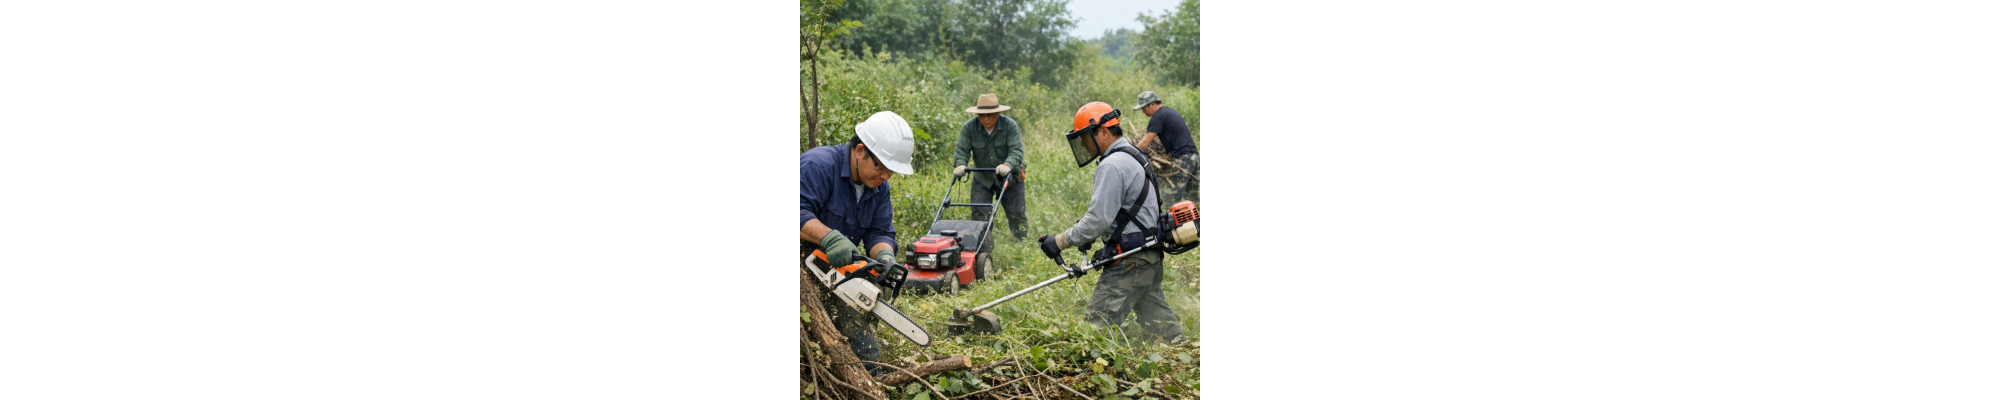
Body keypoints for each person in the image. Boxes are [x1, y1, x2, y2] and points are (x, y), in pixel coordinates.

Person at [1036, 101, 1186, 343]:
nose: (1083, 144)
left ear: (1103, 131)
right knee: (1166, 333)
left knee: (1093, 333)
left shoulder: (1112, 165)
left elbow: (1098, 218)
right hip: (1148, 258)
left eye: (1085, 137)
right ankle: (1187, 358)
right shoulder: (1135, 155)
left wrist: (1061, 241)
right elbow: (1119, 214)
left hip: (1131, 263)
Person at [799, 111, 916, 372]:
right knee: (859, 338)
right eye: (881, 167)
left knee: (874, 286)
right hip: (804, 266)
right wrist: (828, 237)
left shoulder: (877, 187)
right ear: (860, 150)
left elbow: (879, 231)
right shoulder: (818, 165)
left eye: (891, 171)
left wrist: (884, 256)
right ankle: (869, 374)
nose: (885, 176)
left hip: (834, 268)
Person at [953, 93, 1029, 241]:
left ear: (998, 113)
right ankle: (982, 246)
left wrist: (1008, 164)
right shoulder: (969, 128)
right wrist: (960, 164)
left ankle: (1021, 243)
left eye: (990, 115)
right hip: (983, 178)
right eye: (982, 115)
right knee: (979, 215)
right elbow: (961, 150)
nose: (986, 119)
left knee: (1016, 214)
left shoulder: (1009, 126)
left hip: (1010, 178)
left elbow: (1017, 151)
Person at [1133, 91, 1200, 205]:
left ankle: (1171, 223)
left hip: (1183, 160)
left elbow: (1145, 142)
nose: (1143, 112)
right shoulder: (1170, 112)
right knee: (1192, 200)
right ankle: (1196, 222)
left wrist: (1129, 154)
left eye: (1144, 108)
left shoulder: (1158, 116)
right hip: (1195, 158)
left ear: (1152, 104)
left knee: (1169, 200)